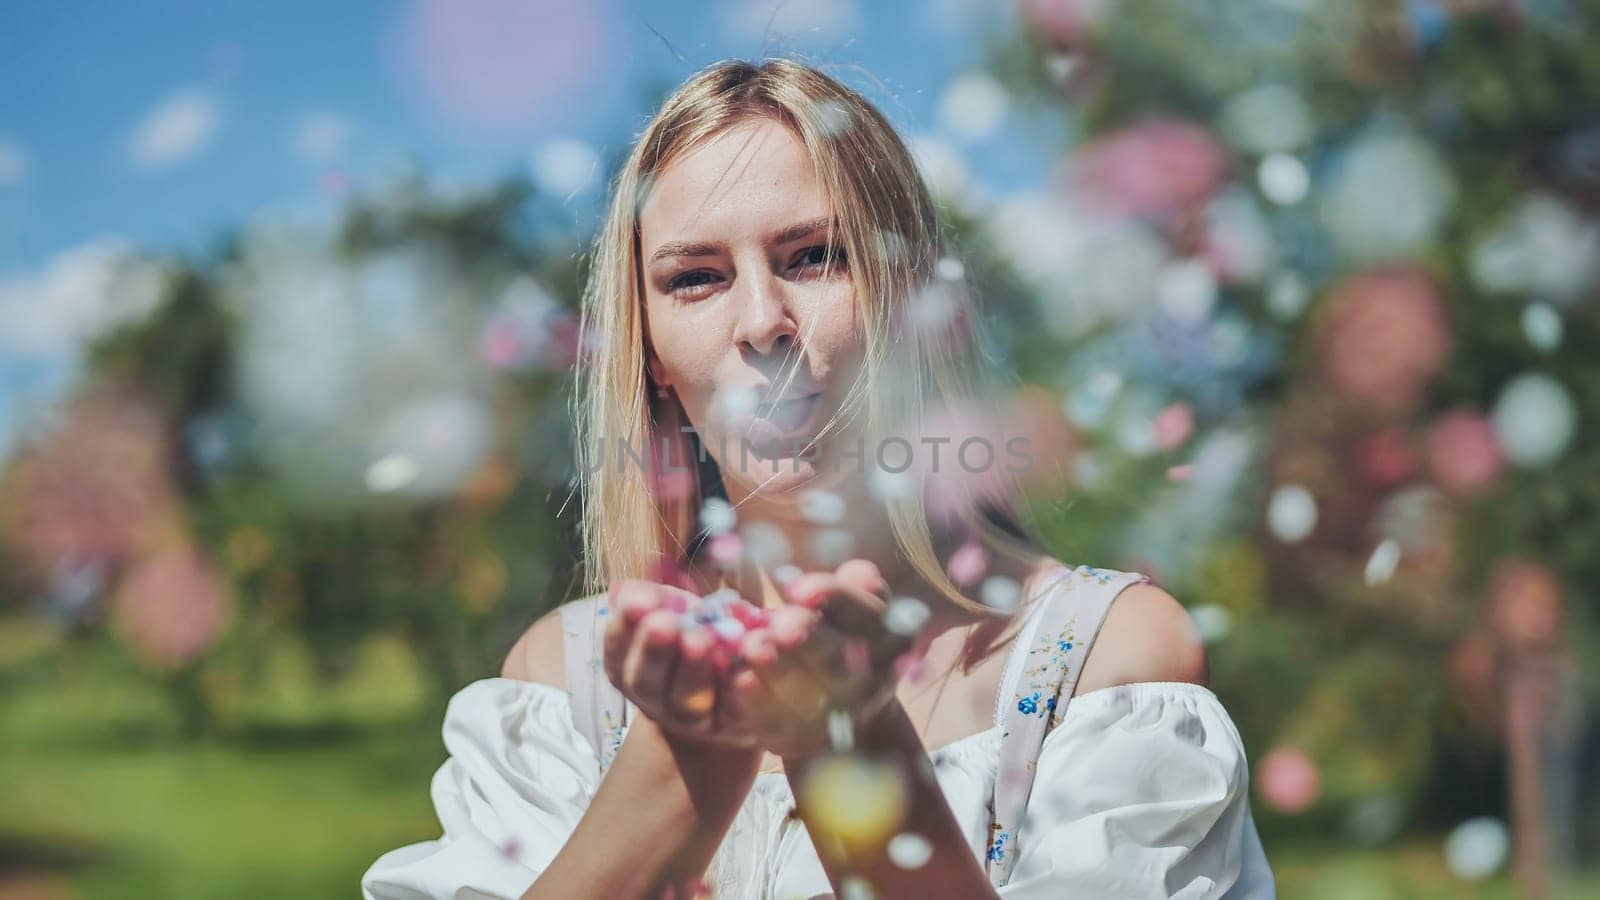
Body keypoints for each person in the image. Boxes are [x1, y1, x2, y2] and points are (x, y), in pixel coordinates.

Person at [362, 57, 1276, 899]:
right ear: (649, 355)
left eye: (815, 256)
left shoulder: (1098, 664)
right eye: (696, 278)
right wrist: (679, 760)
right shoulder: (567, 686)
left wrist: (848, 745)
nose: (763, 322)